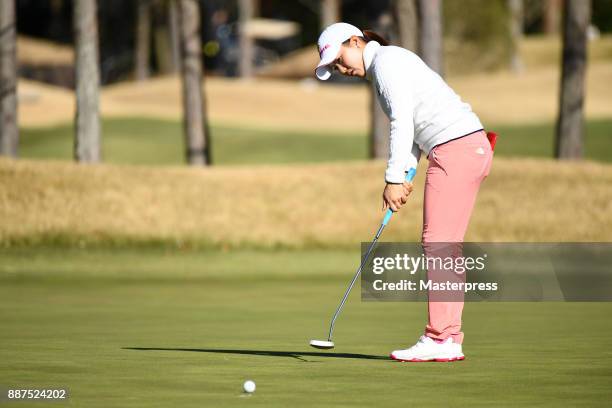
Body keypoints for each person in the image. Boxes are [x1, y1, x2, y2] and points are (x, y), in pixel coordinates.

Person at [314, 22, 494, 362]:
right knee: (443, 244)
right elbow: (412, 129)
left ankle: (440, 337)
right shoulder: (388, 64)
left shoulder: (387, 63)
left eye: (339, 60)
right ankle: (449, 337)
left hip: (457, 148)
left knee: (438, 243)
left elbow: (401, 122)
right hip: (463, 148)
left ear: (355, 41)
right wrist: (407, 173)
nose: (341, 69)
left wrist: (394, 177)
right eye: (335, 68)